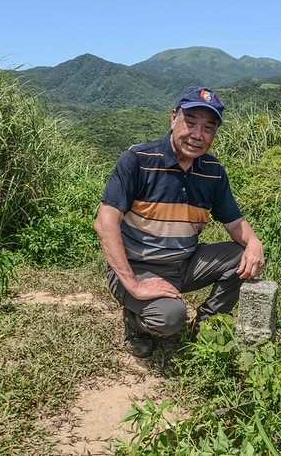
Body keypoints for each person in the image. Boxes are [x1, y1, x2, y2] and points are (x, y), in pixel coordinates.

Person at [93, 86, 265, 358]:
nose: (198, 135)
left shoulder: (212, 172)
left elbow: (234, 222)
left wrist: (254, 242)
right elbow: (104, 223)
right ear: (173, 117)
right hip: (136, 267)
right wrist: (134, 284)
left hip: (183, 265)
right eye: (190, 122)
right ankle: (136, 322)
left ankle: (206, 324)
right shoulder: (137, 160)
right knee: (171, 318)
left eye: (208, 128)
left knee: (241, 257)